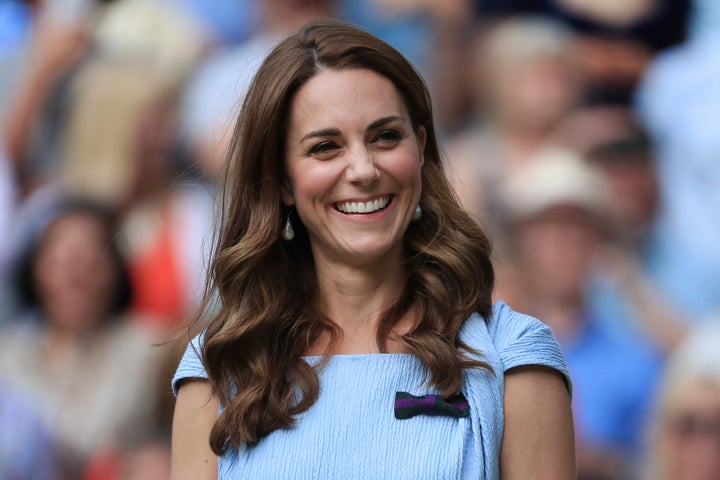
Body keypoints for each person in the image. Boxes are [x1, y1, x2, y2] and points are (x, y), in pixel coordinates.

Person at [171, 20, 575, 479]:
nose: (363, 169)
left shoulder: (513, 355)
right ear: (283, 180)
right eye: (326, 147)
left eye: (385, 137)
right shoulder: (221, 367)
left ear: (420, 149)